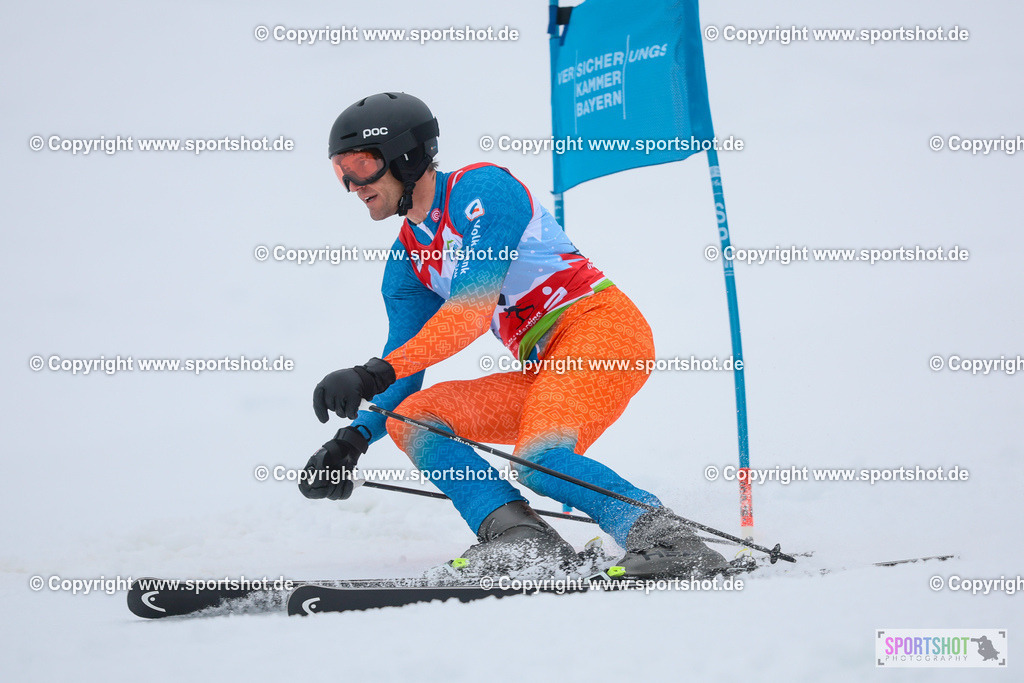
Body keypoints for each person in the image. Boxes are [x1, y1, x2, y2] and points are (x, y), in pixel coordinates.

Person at [299, 92, 727, 579]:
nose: (354, 184)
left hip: (601, 330)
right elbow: (405, 363)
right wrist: (353, 439)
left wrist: (369, 374)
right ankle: (521, 540)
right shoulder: (406, 264)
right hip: (545, 365)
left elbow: (468, 313)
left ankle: (671, 540)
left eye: (362, 165)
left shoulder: (482, 191)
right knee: (413, 417)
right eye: (341, 171)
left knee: (539, 459)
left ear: (407, 156)